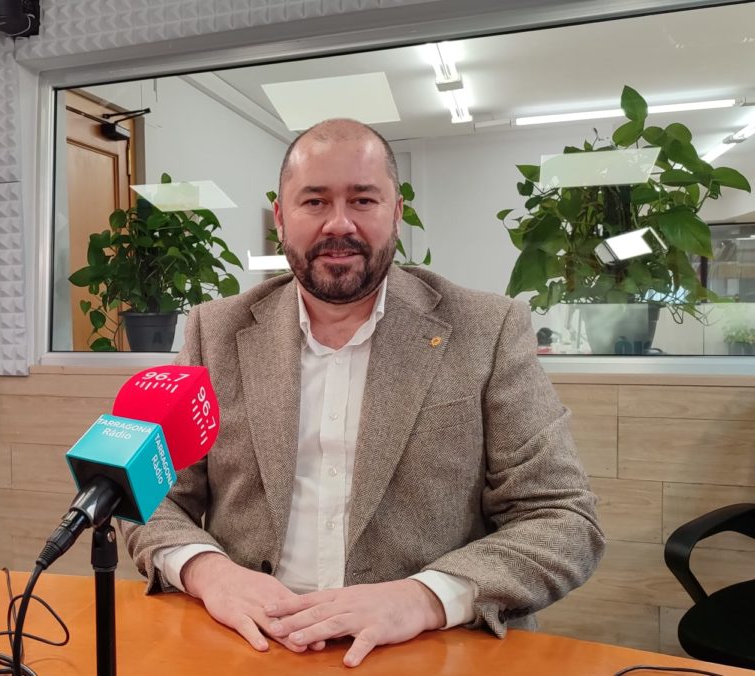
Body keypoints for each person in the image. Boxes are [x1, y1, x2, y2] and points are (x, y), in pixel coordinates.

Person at [119, 118, 604, 668]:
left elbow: (562, 519)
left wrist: (425, 598)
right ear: (281, 217)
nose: (339, 223)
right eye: (314, 201)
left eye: (363, 200)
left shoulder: (486, 329)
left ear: (396, 212)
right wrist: (211, 573)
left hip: (425, 649)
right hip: (251, 645)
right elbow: (148, 495)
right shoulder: (216, 330)